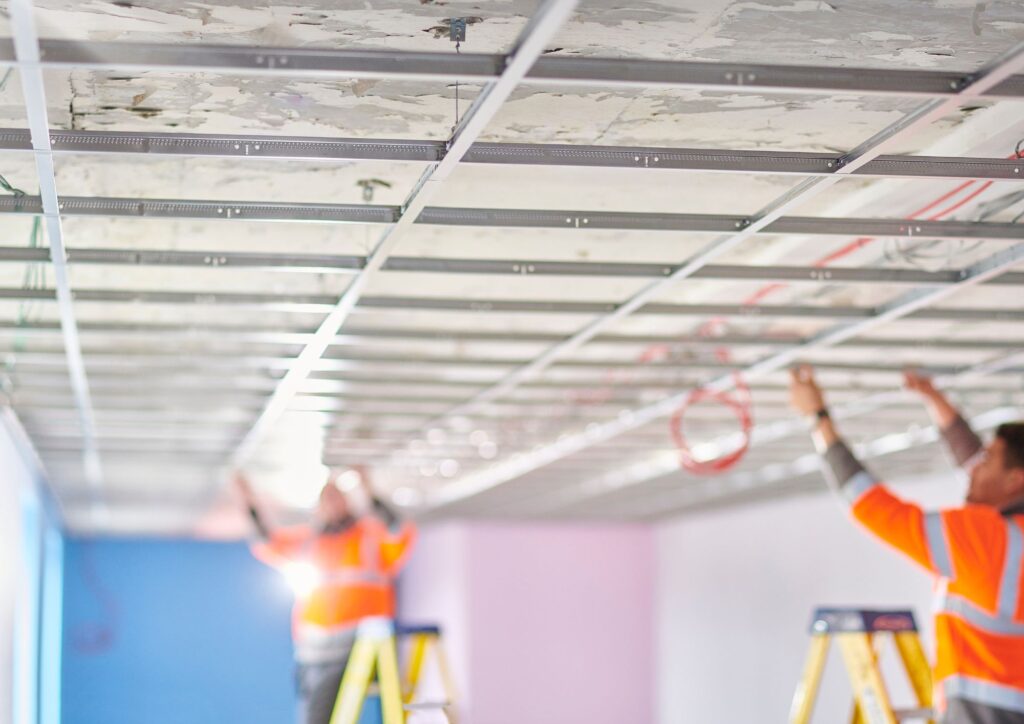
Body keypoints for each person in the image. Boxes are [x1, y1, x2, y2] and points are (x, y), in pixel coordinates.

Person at [789, 365, 1024, 723]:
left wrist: (817, 419)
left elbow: (871, 506)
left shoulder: (987, 538)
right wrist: (935, 400)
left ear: (1014, 480)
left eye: (987, 460)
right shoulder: (1008, 534)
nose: (974, 467)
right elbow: (982, 469)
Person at [235, 467, 416, 724]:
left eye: (337, 495)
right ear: (317, 506)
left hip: (363, 649)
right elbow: (266, 541)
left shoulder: (370, 537)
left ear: (348, 501)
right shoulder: (308, 542)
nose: (331, 502)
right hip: (317, 656)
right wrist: (248, 499)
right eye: (325, 496)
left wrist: (367, 488)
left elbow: (400, 531)